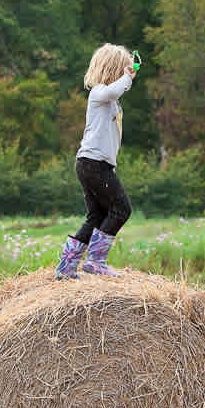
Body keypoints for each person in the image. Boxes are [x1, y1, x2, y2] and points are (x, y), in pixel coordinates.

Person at [55, 44, 137, 280]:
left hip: (93, 164)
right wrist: (127, 79)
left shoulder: (109, 99)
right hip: (94, 163)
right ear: (113, 70)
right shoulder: (99, 93)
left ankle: (66, 268)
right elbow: (113, 92)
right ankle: (95, 260)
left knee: (96, 217)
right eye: (122, 69)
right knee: (121, 209)